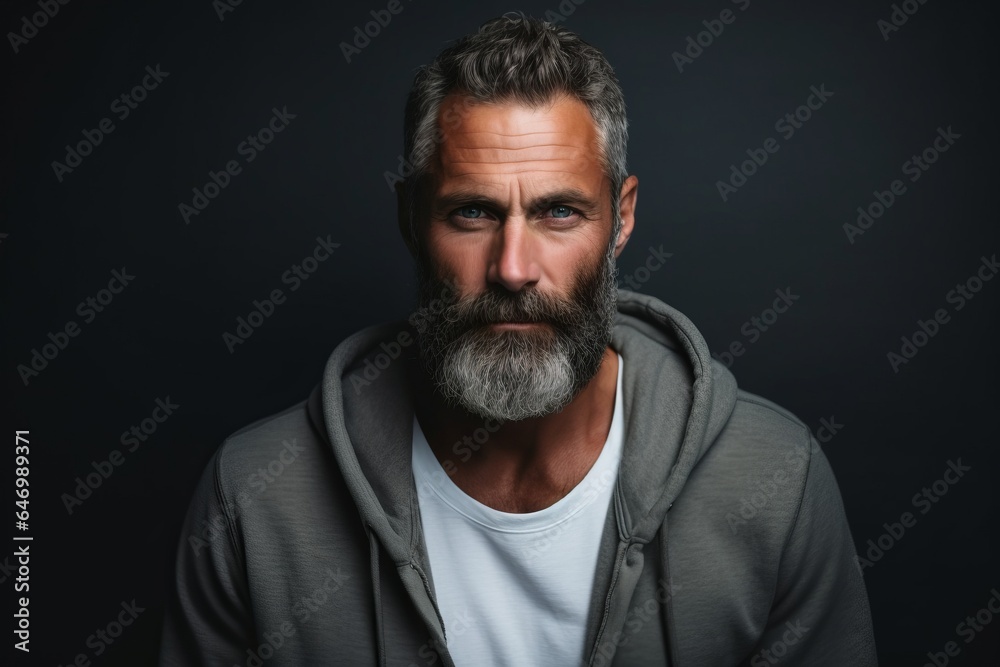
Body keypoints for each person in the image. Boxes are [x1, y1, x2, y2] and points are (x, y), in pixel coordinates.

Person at [160, 14, 877, 666]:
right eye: (472, 212)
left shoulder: (774, 483)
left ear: (621, 219)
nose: (512, 269)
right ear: (411, 218)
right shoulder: (254, 497)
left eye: (559, 211)